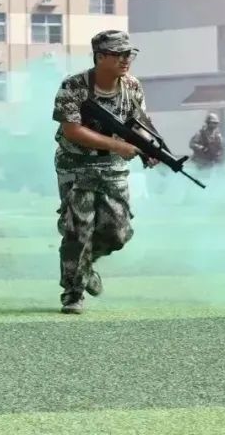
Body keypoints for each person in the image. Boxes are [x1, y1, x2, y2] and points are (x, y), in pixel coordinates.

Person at [51, 30, 157, 315]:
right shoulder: (74, 86)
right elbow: (72, 130)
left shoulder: (132, 86)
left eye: (129, 54)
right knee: (78, 229)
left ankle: (84, 267)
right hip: (76, 164)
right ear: (99, 57)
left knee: (118, 232)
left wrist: (149, 148)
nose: (126, 59)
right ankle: (73, 292)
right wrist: (117, 145)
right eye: (118, 54)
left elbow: (138, 124)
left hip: (113, 166)